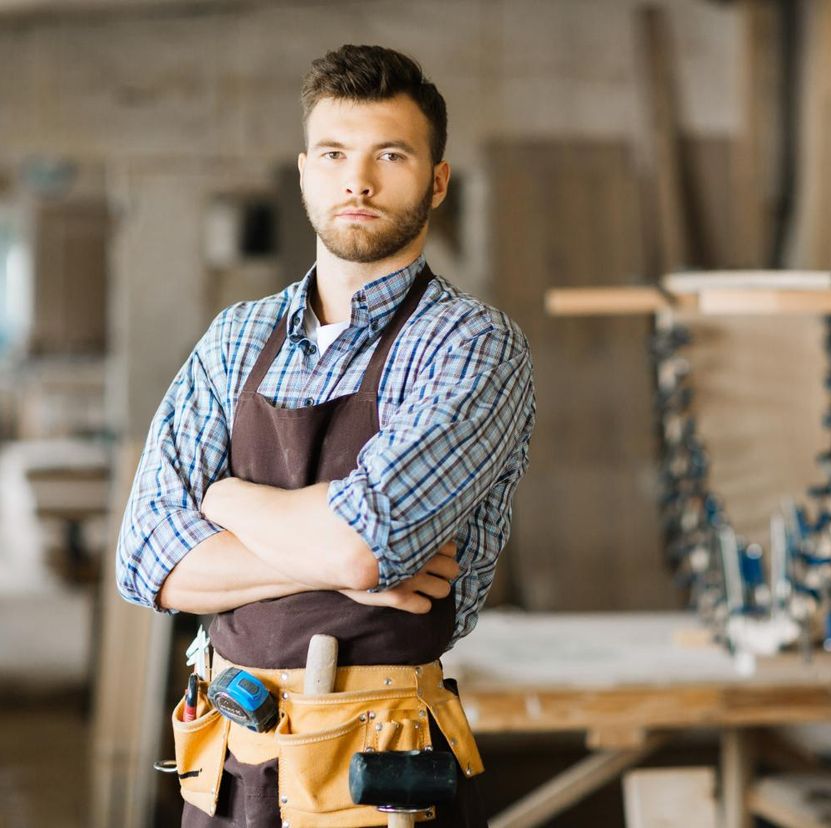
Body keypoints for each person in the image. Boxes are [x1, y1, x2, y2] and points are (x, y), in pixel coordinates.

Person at [116, 43, 535, 827]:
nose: (360, 181)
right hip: (229, 760)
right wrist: (341, 571)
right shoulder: (236, 338)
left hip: (378, 771)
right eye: (337, 154)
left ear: (436, 180)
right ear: (306, 169)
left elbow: (363, 545)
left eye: (392, 155)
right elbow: (147, 559)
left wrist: (223, 496)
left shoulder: (472, 347)